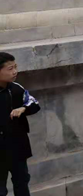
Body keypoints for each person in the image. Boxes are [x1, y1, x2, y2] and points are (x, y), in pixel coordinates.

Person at [0, 52, 40, 196]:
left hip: (17, 146)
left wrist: (23, 109)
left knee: (22, 182)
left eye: (15, 67)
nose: (15, 71)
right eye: (10, 68)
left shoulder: (16, 88)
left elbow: (34, 103)